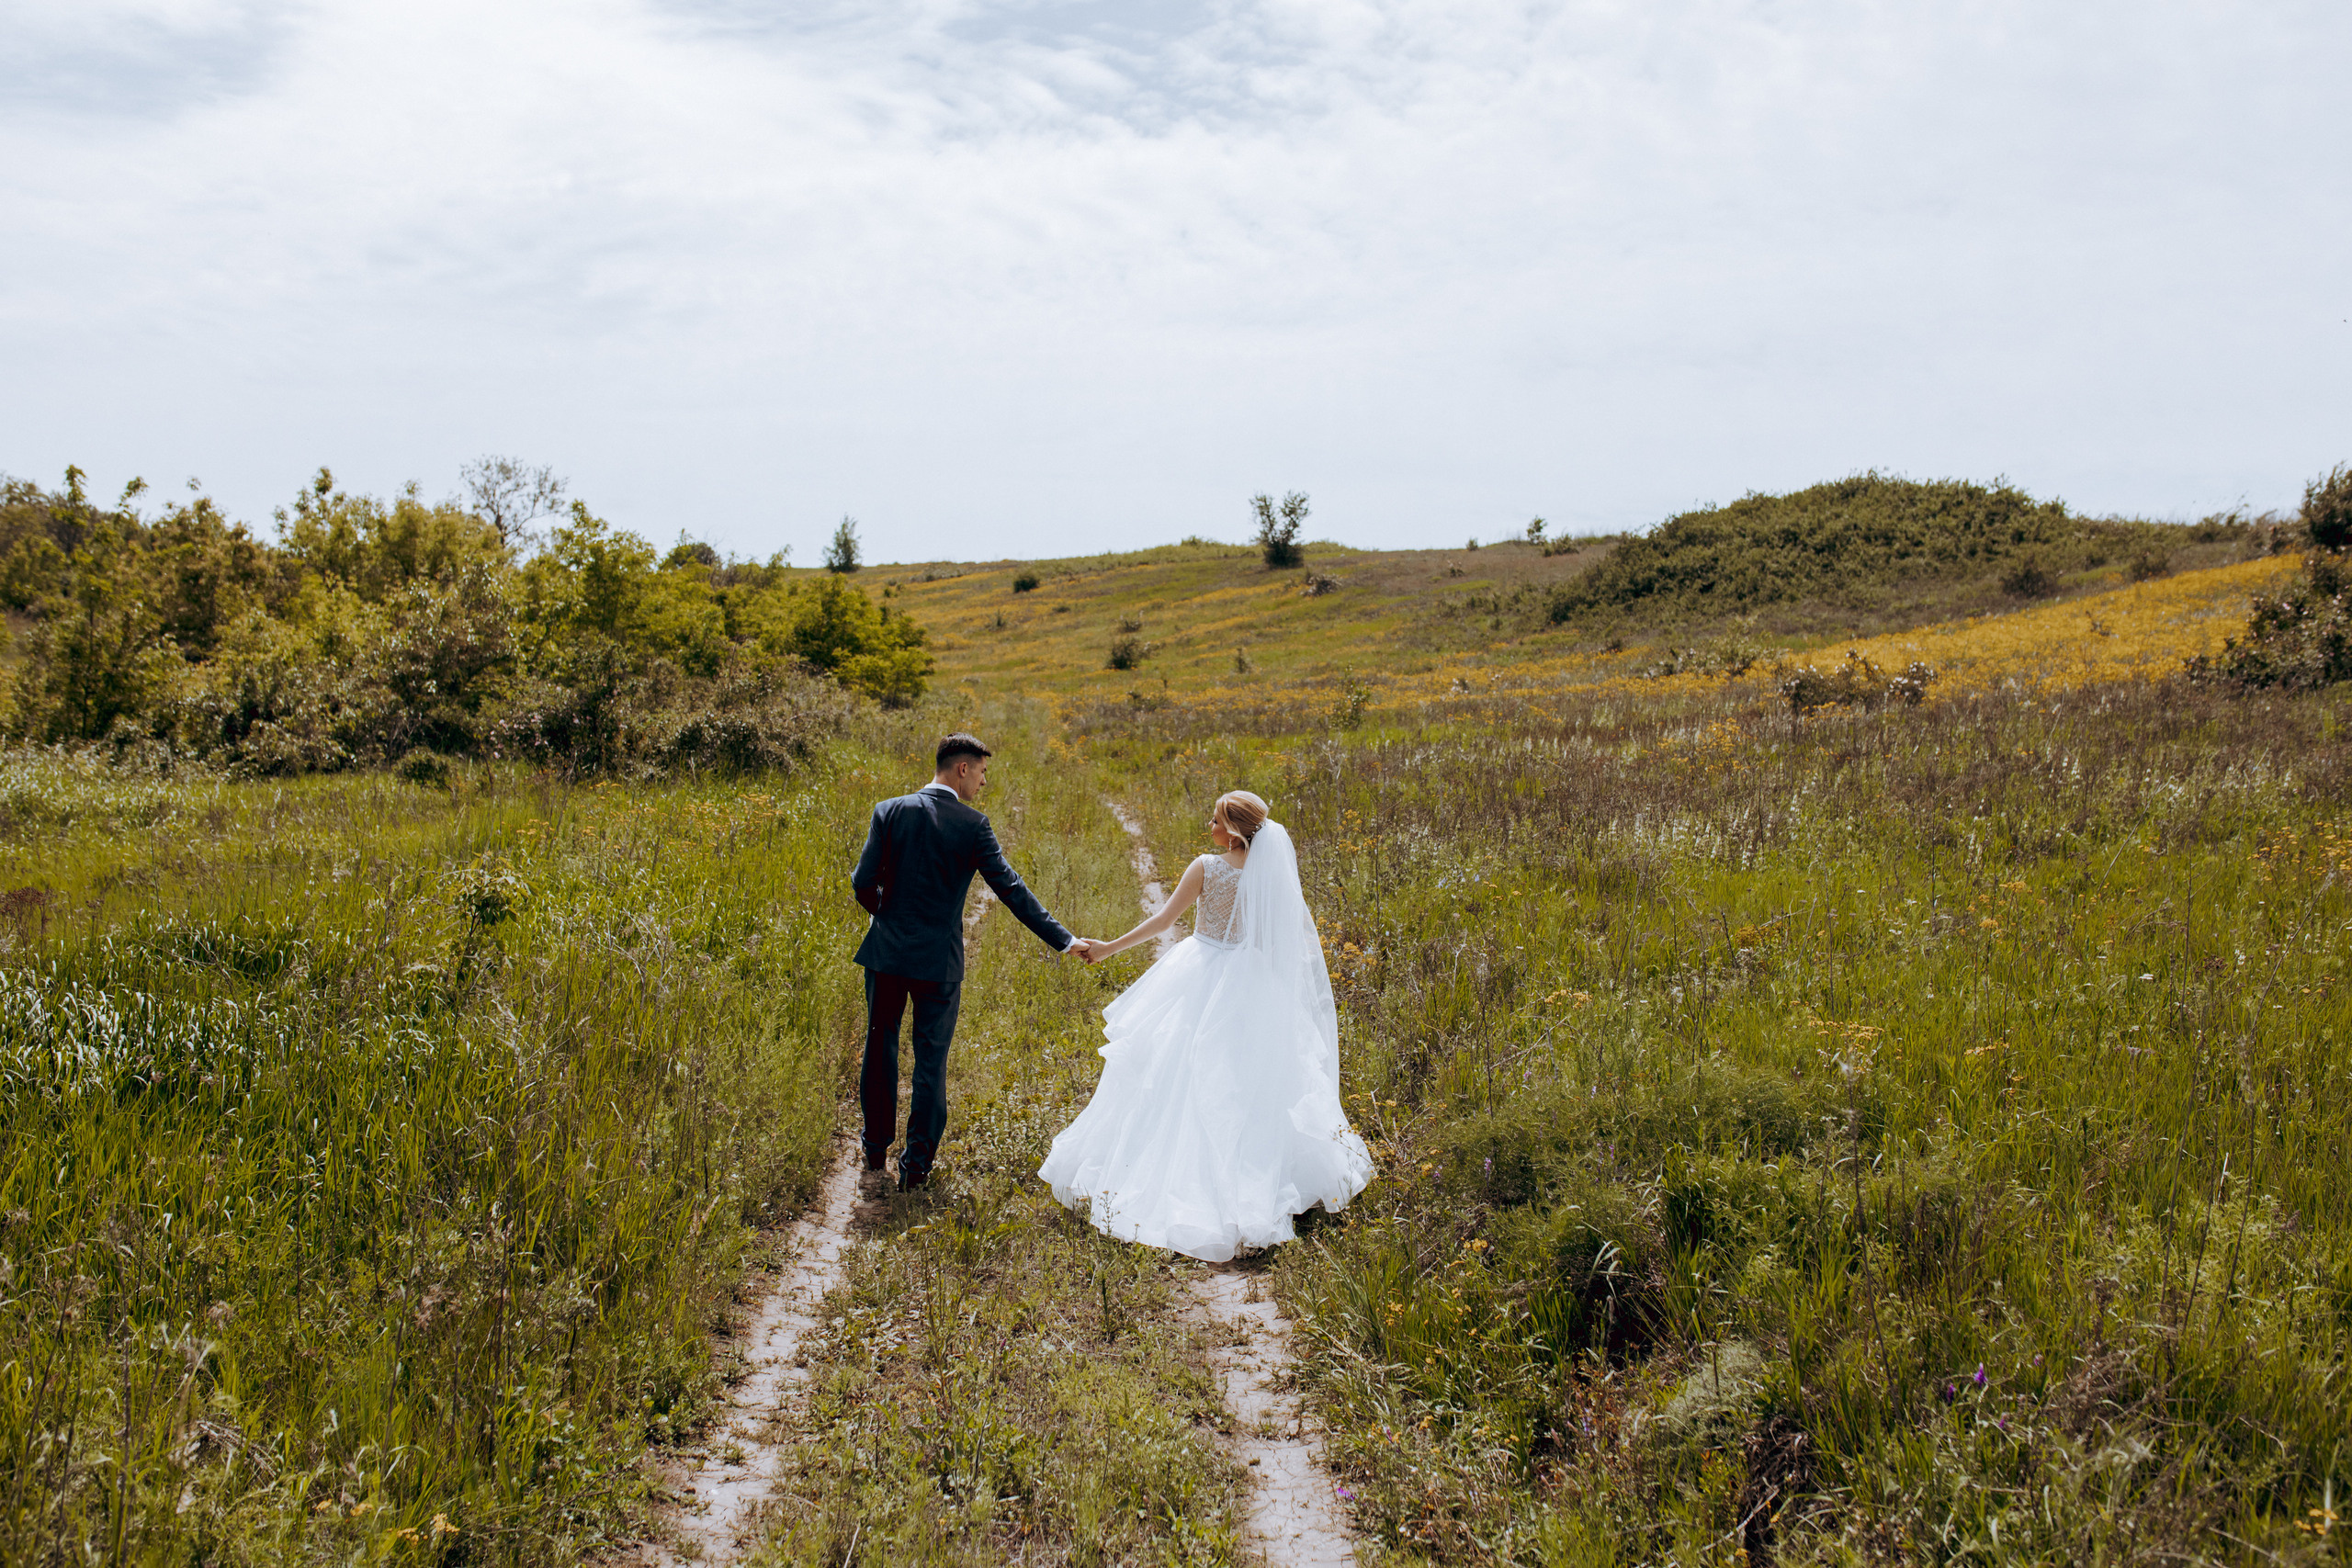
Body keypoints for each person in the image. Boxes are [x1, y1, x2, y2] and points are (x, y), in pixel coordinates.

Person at [1041, 790, 1374, 1260]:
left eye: (1217, 820)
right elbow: (1281, 940)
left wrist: (1107, 946)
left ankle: (1185, 1181)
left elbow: (1163, 921)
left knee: (1181, 1074)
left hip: (1202, 970)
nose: (1210, 826)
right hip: (1250, 980)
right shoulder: (1270, 874)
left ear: (1234, 830)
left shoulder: (1206, 867)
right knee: (1243, 1085)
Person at [852, 733, 1091, 1195]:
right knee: (930, 1063)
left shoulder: (889, 810)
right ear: (962, 769)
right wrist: (1064, 940)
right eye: (982, 771)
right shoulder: (973, 825)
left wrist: (887, 916)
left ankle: (874, 1149)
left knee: (879, 1050)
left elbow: (863, 882)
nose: (984, 781)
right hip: (938, 964)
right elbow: (1012, 890)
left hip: (885, 955)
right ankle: (915, 1169)